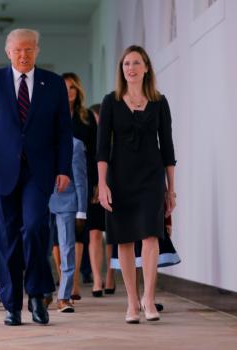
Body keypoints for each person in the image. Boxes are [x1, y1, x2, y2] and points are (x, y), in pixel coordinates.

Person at [0, 28, 72, 326]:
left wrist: (63, 168)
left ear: (37, 50)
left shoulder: (52, 83)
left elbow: (64, 130)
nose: (23, 55)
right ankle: (12, 304)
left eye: (29, 49)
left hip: (39, 172)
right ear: (8, 51)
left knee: (37, 227)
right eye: (17, 50)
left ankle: (37, 295)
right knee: (5, 238)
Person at [97, 45, 176, 324]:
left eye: (136, 63)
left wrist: (171, 188)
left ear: (146, 68)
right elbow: (102, 149)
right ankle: (132, 302)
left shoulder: (159, 102)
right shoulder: (111, 102)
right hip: (119, 179)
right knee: (125, 239)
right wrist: (102, 184)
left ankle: (149, 299)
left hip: (152, 179)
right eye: (126, 63)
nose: (130, 68)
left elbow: (167, 149)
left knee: (152, 236)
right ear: (122, 70)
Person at [48, 73, 88, 313]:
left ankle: (64, 297)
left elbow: (81, 180)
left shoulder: (75, 145)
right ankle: (42, 292)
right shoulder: (38, 144)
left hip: (67, 202)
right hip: (41, 201)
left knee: (67, 249)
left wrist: (82, 210)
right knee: (37, 247)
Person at [85, 103, 115, 296]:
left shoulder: (115, 135)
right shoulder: (89, 138)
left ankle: (111, 275)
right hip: (95, 187)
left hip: (115, 186)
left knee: (113, 234)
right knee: (94, 233)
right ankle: (97, 278)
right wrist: (95, 184)